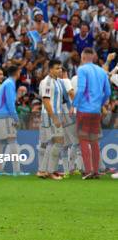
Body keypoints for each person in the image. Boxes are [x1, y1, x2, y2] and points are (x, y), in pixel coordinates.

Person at [72, 48, 111, 179]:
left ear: (83, 58)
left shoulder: (82, 69)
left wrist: (74, 105)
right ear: (93, 57)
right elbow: (108, 93)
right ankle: (95, 171)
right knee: (94, 141)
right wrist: (99, 104)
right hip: (96, 111)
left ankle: (87, 170)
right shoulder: (102, 71)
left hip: (84, 109)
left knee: (83, 139)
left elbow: (82, 88)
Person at [37, 60, 67, 180]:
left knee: (53, 142)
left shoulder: (58, 81)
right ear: (50, 70)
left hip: (56, 115)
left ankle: (44, 170)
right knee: (57, 141)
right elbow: (46, 101)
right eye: (56, 68)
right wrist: (54, 118)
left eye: (60, 68)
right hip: (49, 116)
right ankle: (50, 171)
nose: (59, 70)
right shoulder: (47, 82)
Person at [0, 66, 26, 176]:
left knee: (1, 143)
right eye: (20, 70)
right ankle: (16, 171)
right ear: (16, 72)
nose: (20, 72)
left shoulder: (5, 83)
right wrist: (16, 118)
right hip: (6, 116)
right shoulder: (10, 83)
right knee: (13, 141)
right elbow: (10, 104)